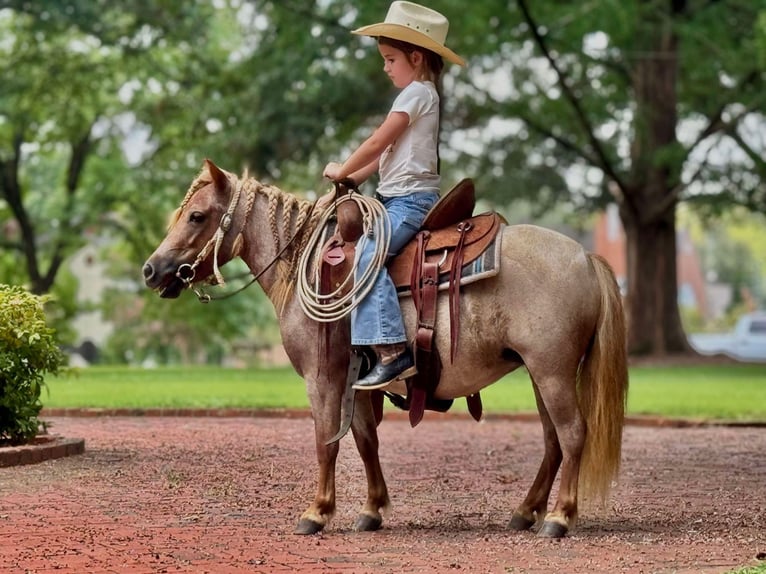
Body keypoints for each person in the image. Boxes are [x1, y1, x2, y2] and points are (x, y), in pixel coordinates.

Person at [322, 1, 465, 390]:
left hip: (409, 202)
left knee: (367, 256)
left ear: (415, 57)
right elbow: (382, 157)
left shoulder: (418, 93)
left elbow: (375, 141)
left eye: (390, 59)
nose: (385, 67)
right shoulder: (416, 95)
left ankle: (391, 351)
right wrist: (349, 180)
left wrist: (343, 168)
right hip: (391, 198)